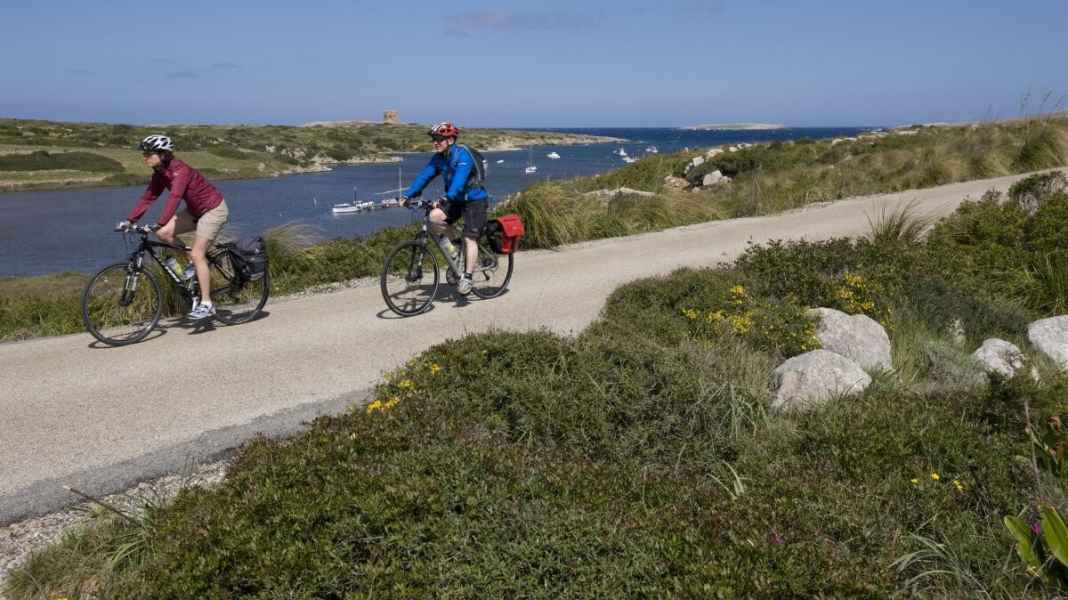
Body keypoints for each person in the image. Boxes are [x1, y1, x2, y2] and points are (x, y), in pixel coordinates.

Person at [120, 134, 230, 319]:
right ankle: (192, 265)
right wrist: (130, 220)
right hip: (196, 211)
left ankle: (206, 303)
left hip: (213, 210)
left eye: (148, 153)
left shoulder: (180, 170)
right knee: (164, 234)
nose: (144, 157)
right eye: (144, 153)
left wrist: (160, 221)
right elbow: (149, 197)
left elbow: (175, 197)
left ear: (163, 154)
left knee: (197, 254)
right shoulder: (160, 173)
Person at [400, 122, 488, 295]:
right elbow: (424, 176)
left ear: (450, 140)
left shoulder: (463, 156)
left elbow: (459, 182)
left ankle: (467, 278)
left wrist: (445, 197)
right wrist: (407, 195)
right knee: (434, 218)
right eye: (434, 139)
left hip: (474, 200)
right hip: (455, 200)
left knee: (470, 238)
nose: (435, 142)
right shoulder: (439, 158)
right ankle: (456, 254)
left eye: (439, 139)